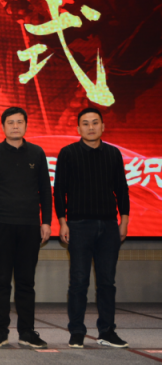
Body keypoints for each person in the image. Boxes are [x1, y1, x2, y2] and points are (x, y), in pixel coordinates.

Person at [55, 107, 130, 348]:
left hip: (109, 225)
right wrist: (63, 222)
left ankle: (107, 331)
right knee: (79, 281)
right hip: (78, 225)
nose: (90, 127)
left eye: (95, 122)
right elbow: (59, 190)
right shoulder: (68, 153)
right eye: (85, 123)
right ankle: (77, 331)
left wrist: (124, 220)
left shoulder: (113, 153)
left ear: (103, 126)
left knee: (107, 282)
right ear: (78, 128)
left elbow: (122, 188)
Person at [0, 107, 52, 349]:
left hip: (30, 226)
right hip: (0, 225)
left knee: (26, 282)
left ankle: (27, 332)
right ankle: (0, 331)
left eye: (20, 122)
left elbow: (45, 190)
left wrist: (46, 221)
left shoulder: (37, 153)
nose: (15, 126)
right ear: (3, 126)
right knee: (0, 282)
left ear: (26, 125)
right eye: (10, 122)